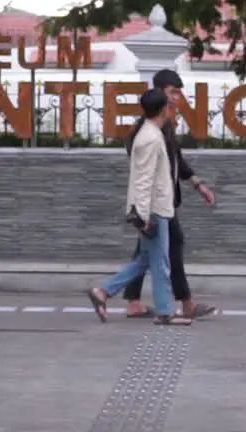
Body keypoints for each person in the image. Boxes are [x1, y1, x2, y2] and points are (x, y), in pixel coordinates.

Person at [88, 89, 192, 326]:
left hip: (155, 207)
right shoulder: (151, 138)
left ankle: (102, 293)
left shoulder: (149, 134)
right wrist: (144, 216)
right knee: (161, 262)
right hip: (154, 210)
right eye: (168, 105)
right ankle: (165, 312)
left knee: (145, 259)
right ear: (163, 109)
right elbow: (143, 180)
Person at [121, 69, 218, 320]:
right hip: (157, 204)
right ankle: (183, 305)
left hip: (162, 203)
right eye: (173, 92)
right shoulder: (148, 131)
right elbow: (143, 172)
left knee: (146, 253)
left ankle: (122, 297)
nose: (177, 98)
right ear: (161, 92)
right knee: (169, 249)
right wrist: (142, 210)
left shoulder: (163, 127)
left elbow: (177, 160)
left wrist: (198, 185)